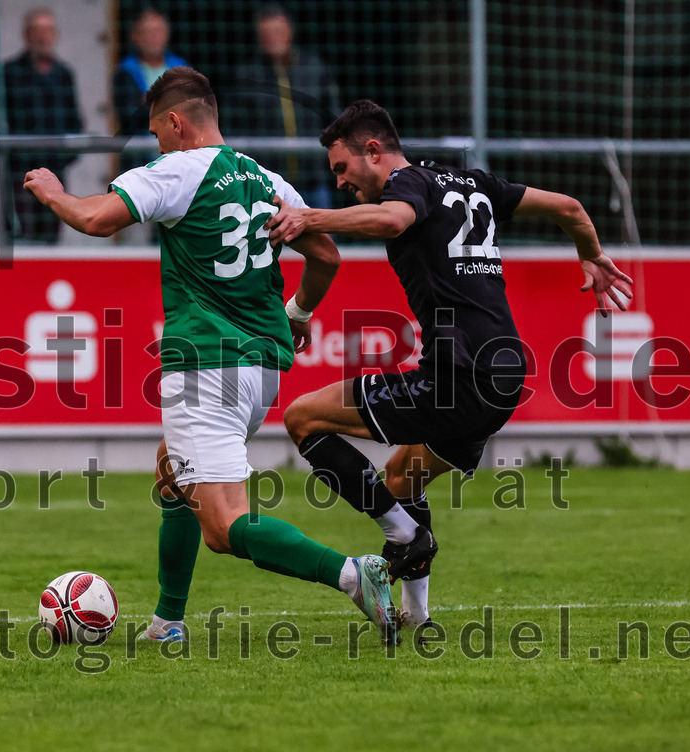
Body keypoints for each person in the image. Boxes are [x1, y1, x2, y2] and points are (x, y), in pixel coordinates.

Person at [24, 68, 398, 644]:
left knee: (223, 527)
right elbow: (326, 257)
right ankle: (167, 622)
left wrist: (52, 190)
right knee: (172, 473)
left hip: (206, 364)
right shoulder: (268, 179)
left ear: (175, 123)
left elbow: (97, 219)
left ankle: (353, 575)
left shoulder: (174, 170)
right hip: (262, 368)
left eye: (155, 134)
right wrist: (297, 314)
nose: (157, 145)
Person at [266, 99, 634, 631]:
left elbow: (394, 219)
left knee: (301, 417)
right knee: (402, 474)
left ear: (374, 150)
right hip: (506, 374)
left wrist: (310, 217)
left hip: (456, 378)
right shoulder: (472, 183)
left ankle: (406, 536)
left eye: (342, 168)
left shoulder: (408, 185)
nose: (341, 182)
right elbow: (571, 207)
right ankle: (418, 615)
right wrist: (592, 255)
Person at [228, 5, 340, 209]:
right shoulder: (247, 76)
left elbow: (335, 119)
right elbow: (234, 128)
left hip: (313, 181)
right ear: (259, 38)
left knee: (321, 238)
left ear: (290, 31)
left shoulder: (314, 68)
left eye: (278, 32)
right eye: (267, 34)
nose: (273, 39)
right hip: (267, 186)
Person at [3, 8, 83, 243]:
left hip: (55, 170)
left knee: (52, 233)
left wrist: (66, 156)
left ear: (55, 35)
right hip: (21, 173)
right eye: (36, 30)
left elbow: (73, 120)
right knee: (22, 235)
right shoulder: (9, 73)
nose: (42, 36)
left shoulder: (64, 74)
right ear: (26, 35)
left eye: (47, 30)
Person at [112, 8, 189, 139]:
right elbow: (129, 116)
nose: (154, 38)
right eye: (148, 32)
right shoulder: (125, 71)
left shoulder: (182, 68)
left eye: (158, 31)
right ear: (135, 36)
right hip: (141, 151)